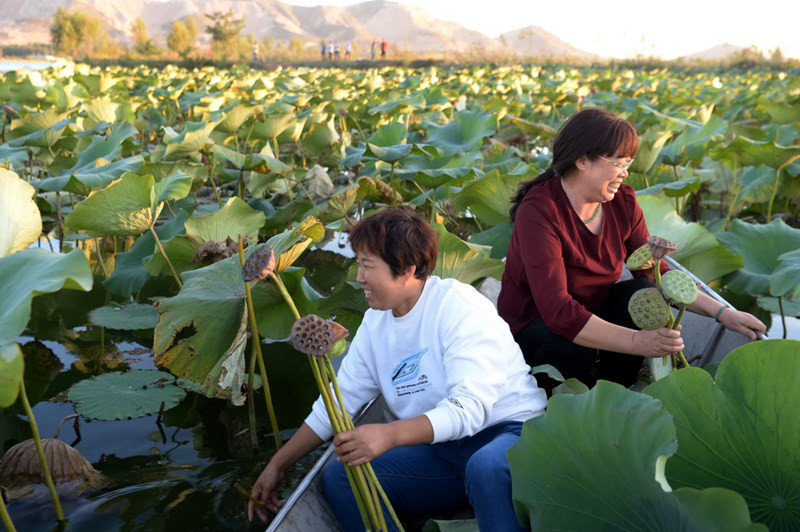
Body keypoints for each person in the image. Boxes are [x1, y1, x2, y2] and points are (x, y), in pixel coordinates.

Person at [248, 208, 546, 531]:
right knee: (341, 476)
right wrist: (278, 464)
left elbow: (469, 410)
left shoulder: (459, 307)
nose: (359, 277)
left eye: (367, 266)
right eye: (358, 264)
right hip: (446, 455)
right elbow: (335, 405)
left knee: (485, 468)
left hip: (509, 437)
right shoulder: (375, 324)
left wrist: (389, 435)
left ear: (407, 269)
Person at [497, 107, 766, 394]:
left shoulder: (622, 202)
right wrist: (639, 342)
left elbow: (653, 272)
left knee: (641, 291)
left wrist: (723, 313)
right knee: (569, 345)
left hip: (592, 312)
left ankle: (617, 393)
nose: (625, 173)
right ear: (582, 160)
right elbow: (559, 312)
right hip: (536, 329)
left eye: (629, 163)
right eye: (617, 163)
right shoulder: (540, 212)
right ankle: (562, 407)